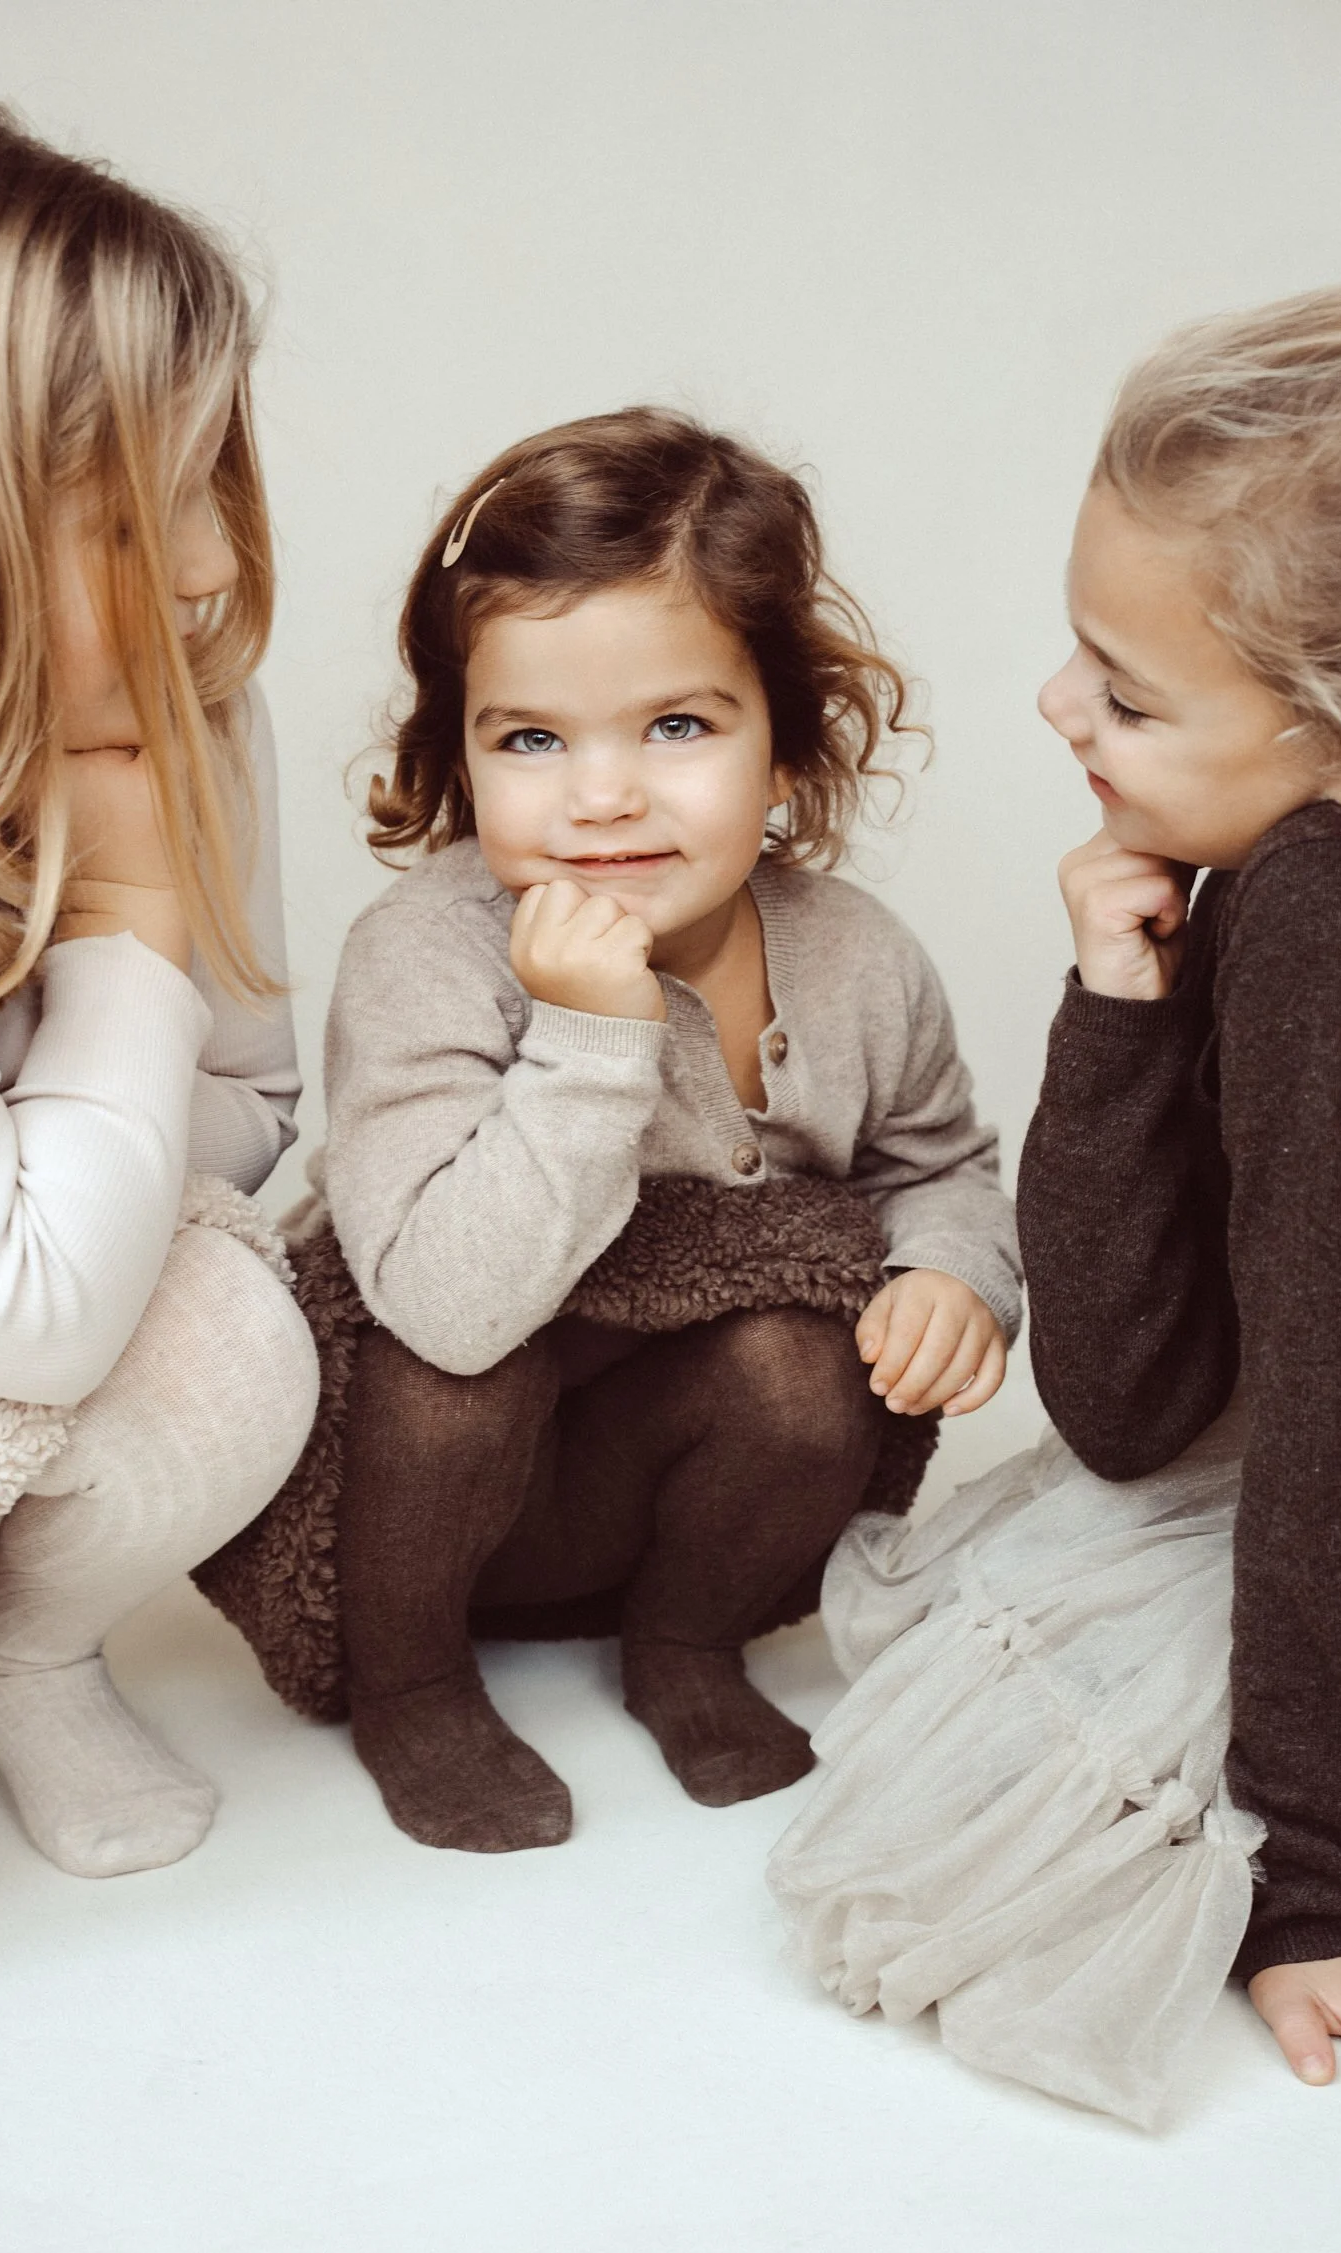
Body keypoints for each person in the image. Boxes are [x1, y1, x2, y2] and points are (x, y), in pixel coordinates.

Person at [772, 283, 1341, 2126]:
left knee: (995, 1803)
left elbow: (1228, 1399)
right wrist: (1121, 994)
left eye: (1129, 691)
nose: (1055, 703)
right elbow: (1156, 1391)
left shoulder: (1333, 915)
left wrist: (1309, 1890)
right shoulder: (1336, 849)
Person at [299, 409, 1020, 1854]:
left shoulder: (858, 957)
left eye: (677, 726)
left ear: (789, 752)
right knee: (464, 1365)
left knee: (799, 1359)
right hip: (430, 1481)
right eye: (530, 738)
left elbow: (935, 1164)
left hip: (649, 1482)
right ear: (460, 756)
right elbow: (440, 1306)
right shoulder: (427, 952)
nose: (602, 794)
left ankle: (685, 1643)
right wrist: (588, 1036)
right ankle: (414, 1687)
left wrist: (952, 1274)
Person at [0, 75, 317, 1955]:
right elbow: (18, 1299)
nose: (198, 566)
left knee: (228, 1327)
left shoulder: (180, 710)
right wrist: (116, 920)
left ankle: (28, 1644)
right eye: (125, 512)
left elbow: (252, 1110)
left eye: (205, 481)